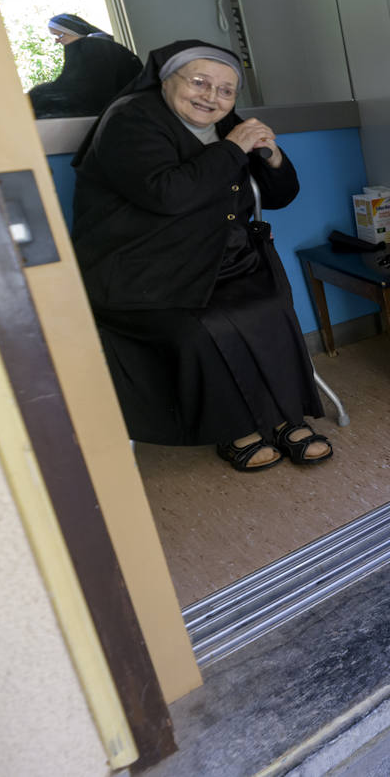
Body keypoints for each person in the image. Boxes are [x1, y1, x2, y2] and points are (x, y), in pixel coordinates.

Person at [71, 38, 332, 471]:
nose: (212, 97)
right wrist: (232, 149)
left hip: (221, 260)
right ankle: (234, 429)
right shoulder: (130, 120)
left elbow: (282, 195)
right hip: (140, 269)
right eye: (199, 82)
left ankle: (285, 416)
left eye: (226, 90)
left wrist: (272, 155)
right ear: (165, 81)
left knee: (270, 305)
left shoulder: (227, 122)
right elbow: (167, 194)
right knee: (203, 325)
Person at [28, 14, 142, 118]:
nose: (57, 40)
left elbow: (83, 90)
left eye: (60, 35)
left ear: (74, 31)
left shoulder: (94, 48)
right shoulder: (103, 47)